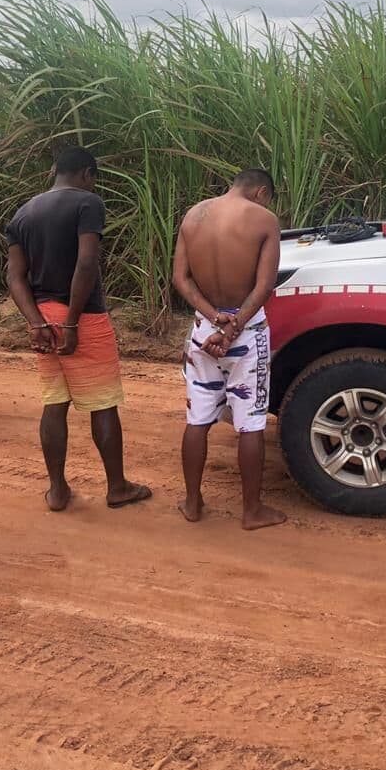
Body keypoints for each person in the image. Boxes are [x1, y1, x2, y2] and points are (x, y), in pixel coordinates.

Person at [4, 146, 152, 512]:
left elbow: (14, 276)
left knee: (54, 403)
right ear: (87, 174)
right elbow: (86, 264)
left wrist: (35, 322)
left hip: (43, 315)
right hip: (81, 316)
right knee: (103, 404)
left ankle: (57, 490)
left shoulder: (23, 213)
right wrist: (71, 320)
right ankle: (117, 487)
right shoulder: (88, 203)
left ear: (56, 171)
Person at [172, 168, 286, 530]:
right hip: (246, 331)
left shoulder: (194, 215)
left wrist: (215, 319)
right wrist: (234, 325)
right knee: (250, 423)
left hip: (204, 330)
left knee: (198, 418)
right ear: (261, 193)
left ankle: (192, 502)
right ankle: (251, 511)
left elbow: (181, 278)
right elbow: (265, 284)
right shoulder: (264, 220)